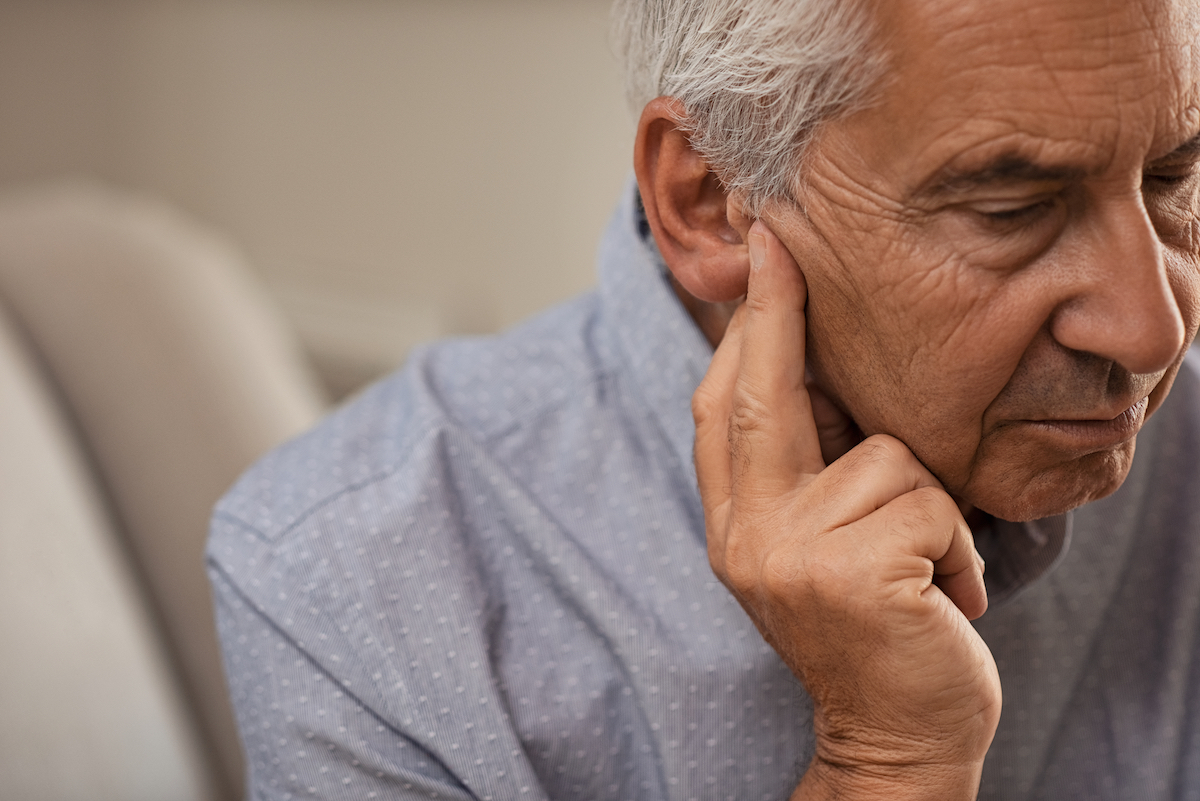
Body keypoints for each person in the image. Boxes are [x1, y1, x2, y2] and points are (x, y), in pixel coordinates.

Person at [208, 0, 1200, 798]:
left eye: (1174, 177)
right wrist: (887, 765)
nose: (1151, 329)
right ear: (710, 201)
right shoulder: (350, 583)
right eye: (1012, 208)